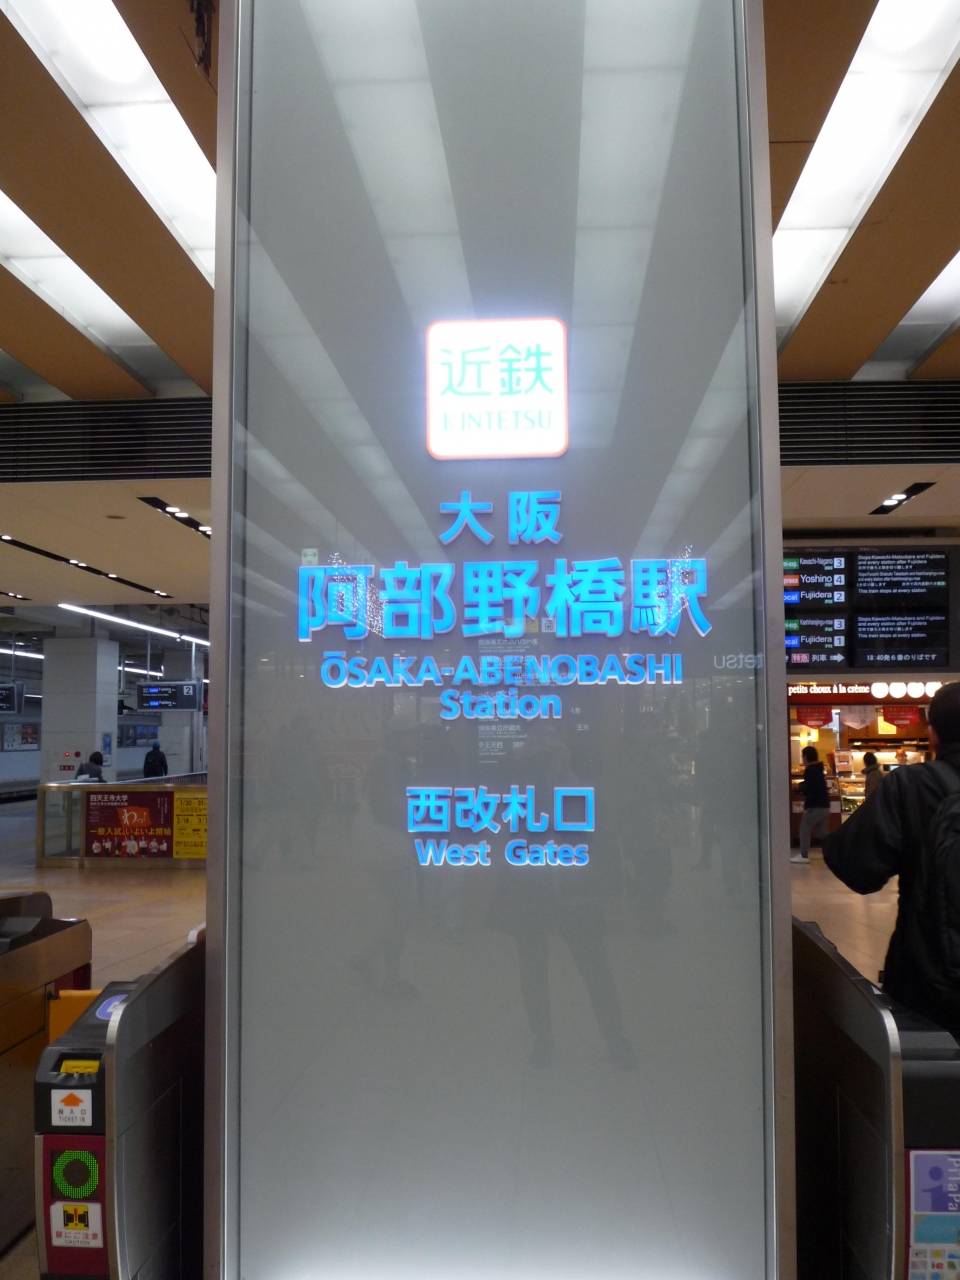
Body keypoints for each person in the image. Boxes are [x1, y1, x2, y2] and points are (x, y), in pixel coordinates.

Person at [824, 681, 960, 1032]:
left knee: (929, 1065)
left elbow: (856, 867)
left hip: (931, 984)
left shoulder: (912, 785)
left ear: (933, 734)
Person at [792, 745, 830, 864]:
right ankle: (837, 850)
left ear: (806, 757)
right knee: (821, 832)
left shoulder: (811, 770)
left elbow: (811, 787)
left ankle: (803, 855)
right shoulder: (818, 768)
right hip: (825, 805)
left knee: (804, 828)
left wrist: (799, 787)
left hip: (815, 805)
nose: (802, 759)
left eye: (803, 756)